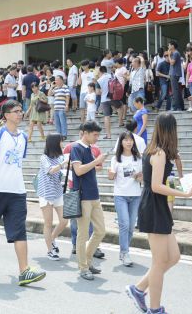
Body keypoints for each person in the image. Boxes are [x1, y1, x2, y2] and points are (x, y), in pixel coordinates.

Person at [125, 113, 192, 314]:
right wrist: (183, 193)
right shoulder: (158, 153)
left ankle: (138, 289)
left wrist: (182, 180)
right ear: (170, 130)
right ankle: (155, 309)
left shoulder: (159, 151)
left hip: (158, 206)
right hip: (153, 206)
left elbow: (161, 182)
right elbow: (156, 186)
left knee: (173, 257)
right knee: (159, 261)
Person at [0, 100, 46, 286]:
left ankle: (24, 271)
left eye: (21, 111)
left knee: (19, 231)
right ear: (6, 115)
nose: (20, 114)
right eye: (16, 111)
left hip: (17, 191)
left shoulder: (23, 137)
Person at [70, 120, 108, 280]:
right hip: (83, 196)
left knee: (100, 231)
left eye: (98, 135)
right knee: (83, 234)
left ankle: (87, 260)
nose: (97, 138)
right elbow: (78, 171)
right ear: (85, 133)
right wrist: (96, 161)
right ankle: (83, 267)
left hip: (94, 195)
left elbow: (89, 169)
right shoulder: (76, 148)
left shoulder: (89, 148)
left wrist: (96, 163)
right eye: (95, 134)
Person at [109, 131, 143, 267]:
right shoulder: (115, 159)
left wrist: (137, 176)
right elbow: (111, 177)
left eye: (130, 140)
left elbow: (141, 179)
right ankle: (125, 252)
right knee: (124, 224)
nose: (129, 142)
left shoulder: (138, 158)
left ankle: (124, 252)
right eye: (126, 140)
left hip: (135, 195)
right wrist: (111, 174)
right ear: (121, 142)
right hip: (120, 195)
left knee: (131, 226)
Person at [37, 133, 68, 260]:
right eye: (60, 141)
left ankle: (52, 238)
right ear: (55, 143)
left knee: (64, 221)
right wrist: (63, 164)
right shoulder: (44, 158)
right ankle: (50, 250)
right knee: (48, 223)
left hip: (57, 192)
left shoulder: (60, 157)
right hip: (46, 194)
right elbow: (50, 170)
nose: (62, 144)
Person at [51, 75, 70, 141]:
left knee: (63, 122)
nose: (56, 81)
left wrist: (67, 105)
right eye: (55, 80)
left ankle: (64, 135)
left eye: (57, 80)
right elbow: (49, 94)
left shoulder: (65, 87)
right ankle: (58, 135)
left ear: (61, 80)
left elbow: (67, 97)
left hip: (62, 108)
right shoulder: (55, 88)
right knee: (57, 123)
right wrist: (51, 86)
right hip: (56, 108)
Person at [168, 40, 185, 111]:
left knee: (175, 91)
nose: (168, 46)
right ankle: (181, 106)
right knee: (177, 90)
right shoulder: (175, 53)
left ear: (172, 46)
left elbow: (172, 63)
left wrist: (169, 55)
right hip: (174, 73)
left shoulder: (175, 53)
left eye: (169, 45)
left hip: (174, 74)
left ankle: (176, 107)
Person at [97, 66, 113, 139]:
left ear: (100, 71)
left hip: (105, 99)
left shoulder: (99, 80)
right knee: (120, 108)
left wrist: (103, 92)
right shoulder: (112, 76)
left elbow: (97, 92)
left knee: (106, 116)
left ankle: (108, 135)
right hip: (115, 98)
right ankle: (121, 122)